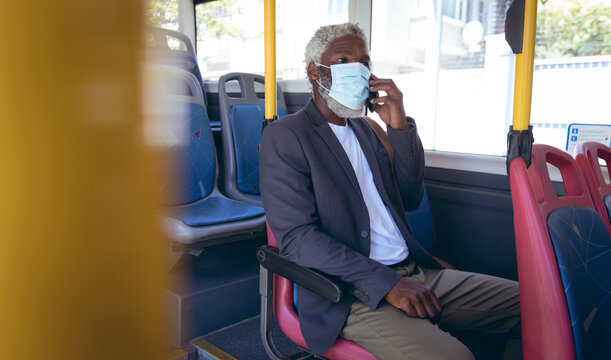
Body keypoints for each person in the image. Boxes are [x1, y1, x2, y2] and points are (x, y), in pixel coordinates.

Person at [259, 23, 521, 360]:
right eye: (343, 60)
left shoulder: (366, 130)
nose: (358, 70)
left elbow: (409, 196)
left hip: (414, 271)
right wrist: (387, 284)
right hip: (350, 292)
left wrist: (398, 124)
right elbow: (298, 238)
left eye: (364, 63)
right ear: (315, 72)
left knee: (534, 307)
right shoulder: (287, 135)